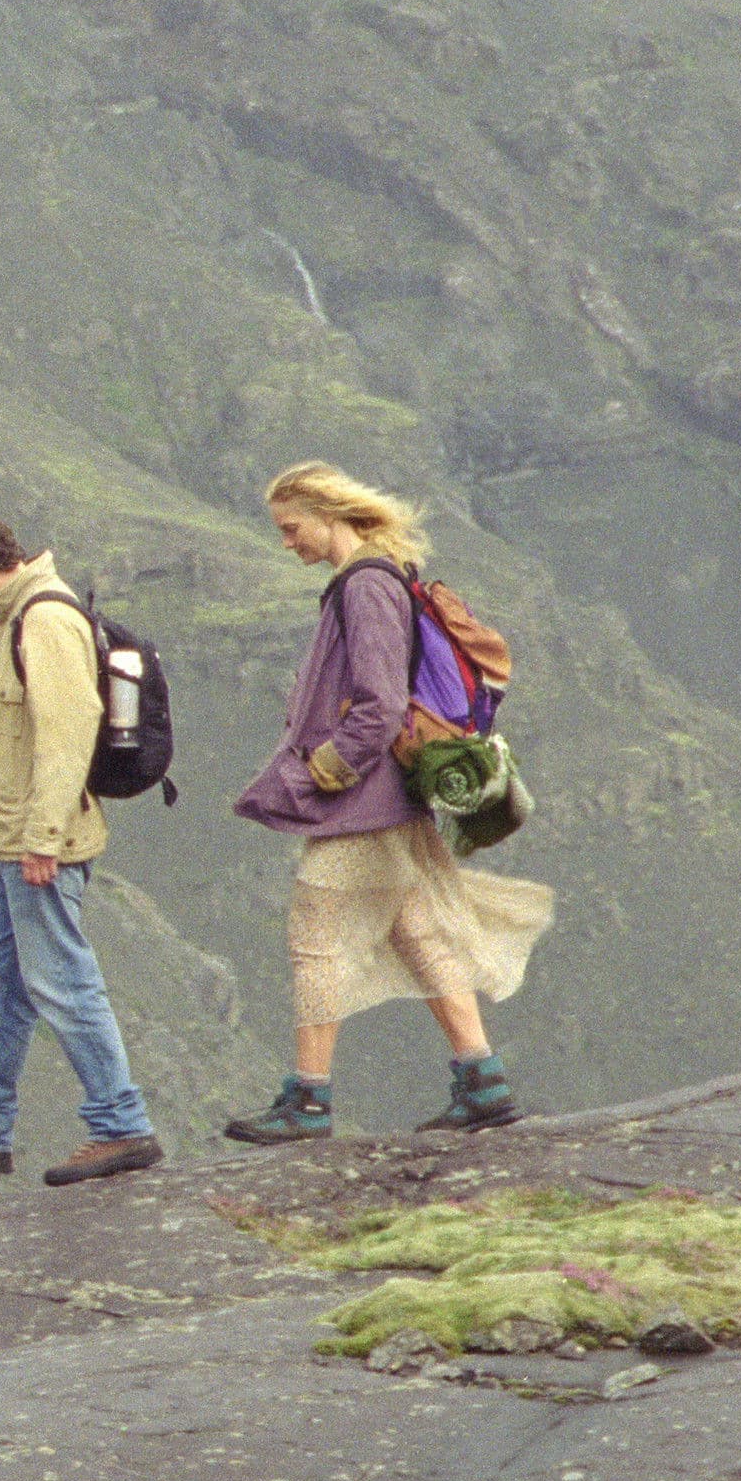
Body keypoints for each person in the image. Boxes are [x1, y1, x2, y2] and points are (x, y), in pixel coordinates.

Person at [223, 463, 554, 1143]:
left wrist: (330, 767)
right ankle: (483, 1081)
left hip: (362, 801)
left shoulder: (367, 587)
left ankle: (307, 1101)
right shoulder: (379, 579)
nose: (287, 543)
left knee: (314, 940)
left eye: (292, 528)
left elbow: (377, 704)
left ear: (329, 512)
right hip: (390, 797)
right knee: (417, 930)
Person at [0, 512, 165, 1189]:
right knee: (4, 980)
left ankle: (120, 1125)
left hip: (39, 844)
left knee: (64, 983)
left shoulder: (43, 621)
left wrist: (42, 838)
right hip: (18, 841)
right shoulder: (13, 620)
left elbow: (68, 735)